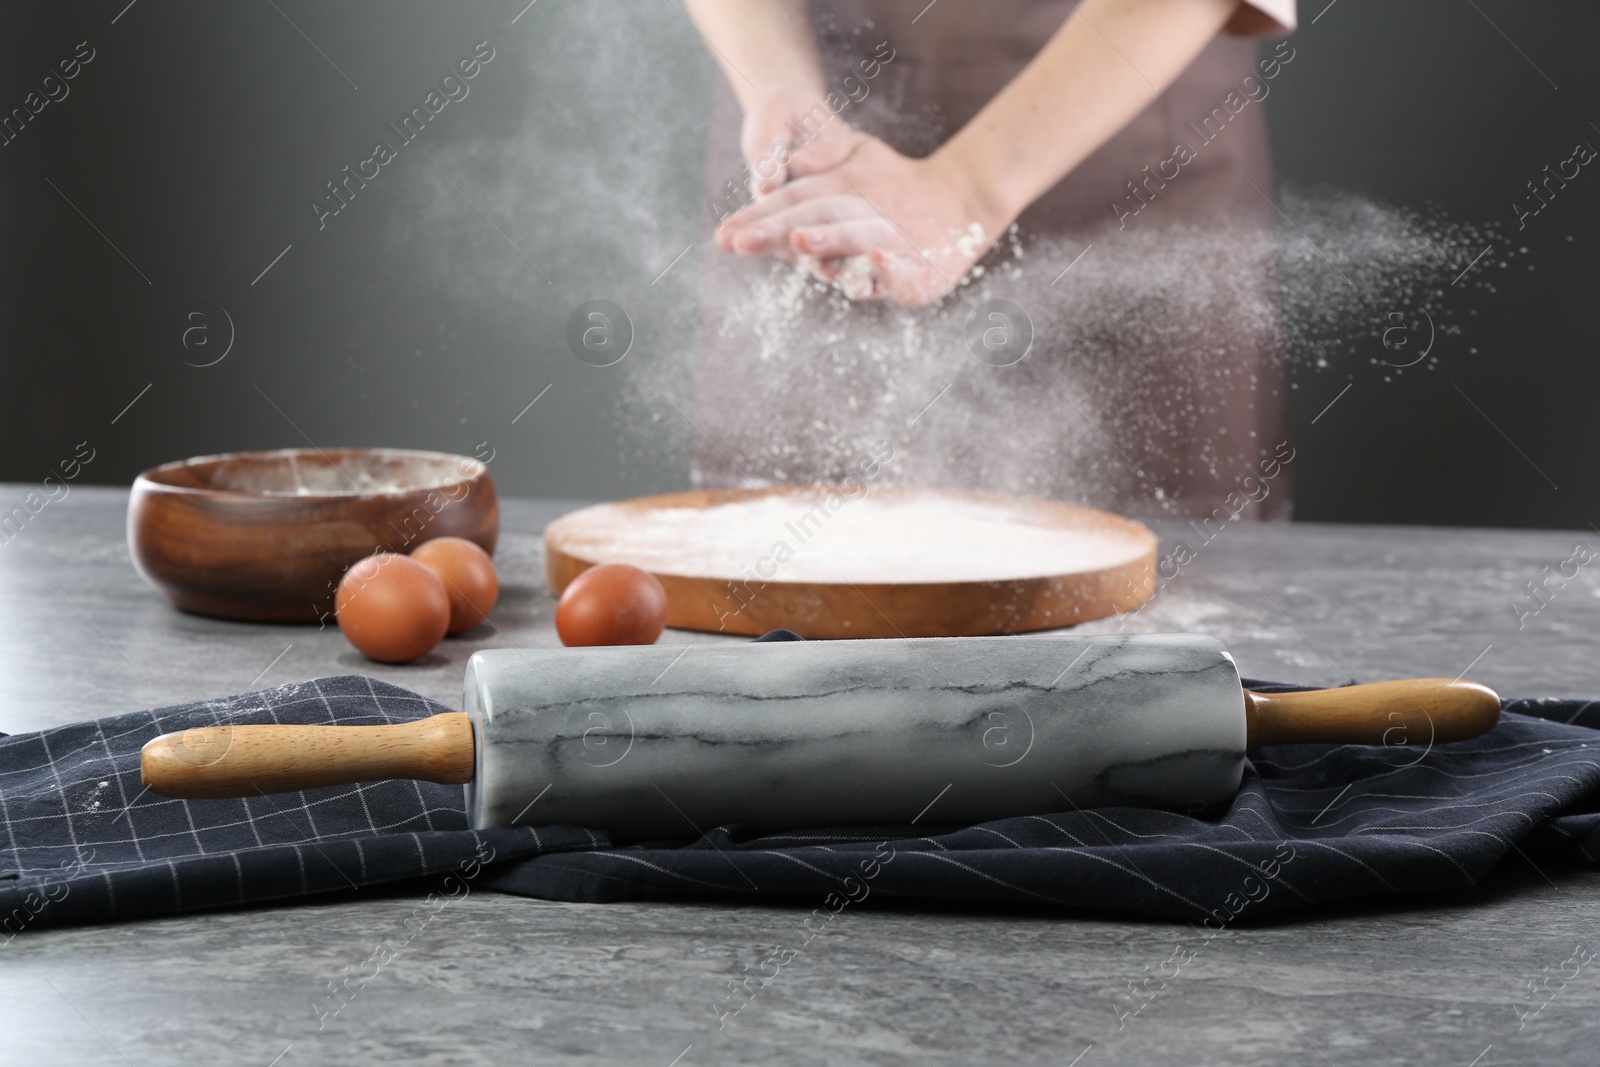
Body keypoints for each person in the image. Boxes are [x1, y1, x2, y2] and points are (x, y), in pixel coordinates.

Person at [683, 0, 1297, 520]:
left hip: (1118, 147)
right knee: (786, 598)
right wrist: (776, 84)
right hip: (811, 171)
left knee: (1142, 623)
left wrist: (968, 191)